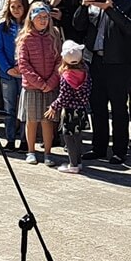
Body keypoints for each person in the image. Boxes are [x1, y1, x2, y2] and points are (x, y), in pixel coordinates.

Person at [70, 0, 131, 164]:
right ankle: (99, 147)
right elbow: (78, 25)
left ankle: (120, 150)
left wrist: (110, 8)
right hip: (95, 60)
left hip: (118, 63)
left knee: (119, 107)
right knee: (97, 105)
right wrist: (84, 7)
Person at [17, 2, 63, 166]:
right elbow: (23, 64)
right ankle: (30, 151)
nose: (43, 21)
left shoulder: (54, 35)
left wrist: (50, 83)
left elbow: (59, 61)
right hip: (31, 87)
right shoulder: (25, 37)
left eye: (46, 17)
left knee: (47, 121)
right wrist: (39, 83)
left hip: (50, 86)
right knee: (31, 120)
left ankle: (48, 153)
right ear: (31, 19)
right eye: (39, 17)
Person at [48, 41, 92, 174]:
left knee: (68, 137)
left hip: (69, 112)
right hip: (82, 110)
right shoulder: (85, 73)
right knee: (78, 136)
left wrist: (53, 106)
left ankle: (72, 164)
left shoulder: (66, 77)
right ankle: (78, 162)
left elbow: (64, 97)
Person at [0, 0, 28, 153]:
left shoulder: (30, 26)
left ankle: (25, 140)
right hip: (8, 74)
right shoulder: (2, 27)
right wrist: (8, 68)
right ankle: (10, 139)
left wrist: (24, 69)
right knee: (9, 108)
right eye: (12, 7)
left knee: (25, 108)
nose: (16, 10)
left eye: (19, 6)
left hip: (26, 74)